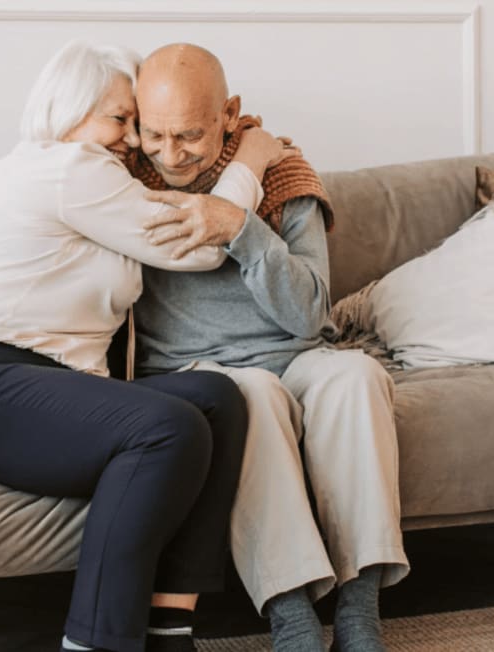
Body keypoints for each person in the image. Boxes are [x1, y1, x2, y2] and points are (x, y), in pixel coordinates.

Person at [0, 41, 294, 652]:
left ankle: (170, 632)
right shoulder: (69, 168)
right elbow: (195, 245)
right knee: (168, 426)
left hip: (37, 384)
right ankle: (95, 642)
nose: (135, 140)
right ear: (69, 111)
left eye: (133, 122)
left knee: (218, 398)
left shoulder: (87, 181)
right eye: (120, 119)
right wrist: (251, 152)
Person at [129, 44, 410, 652]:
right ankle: (293, 619)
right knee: (247, 393)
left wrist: (240, 229)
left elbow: (312, 310)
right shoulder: (121, 179)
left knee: (356, 376)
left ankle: (360, 614)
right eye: (154, 133)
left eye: (189, 136)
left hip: (297, 352)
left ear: (229, 113)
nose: (169, 154)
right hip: (191, 370)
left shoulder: (283, 173)